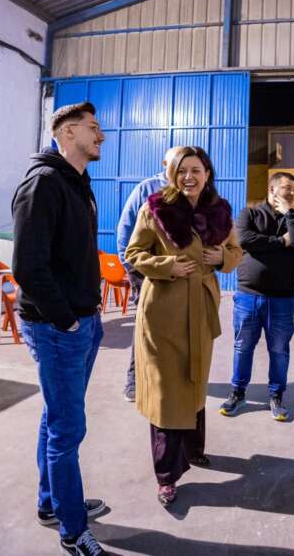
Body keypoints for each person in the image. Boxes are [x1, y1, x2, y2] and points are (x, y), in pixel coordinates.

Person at [11, 102, 109, 556]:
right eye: (93, 128)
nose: (101, 136)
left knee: (56, 417)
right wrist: (66, 319)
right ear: (67, 133)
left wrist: (86, 316)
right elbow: (27, 267)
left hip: (83, 323)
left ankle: (52, 502)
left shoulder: (78, 183)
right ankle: (72, 530)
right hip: (58, 328)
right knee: (67, 429)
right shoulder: (43, 184)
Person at [124, 146, 242, 506]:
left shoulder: (220, 211)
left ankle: (194, 449)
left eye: (196, 170)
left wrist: (222, 257)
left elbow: (236, 252)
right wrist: (167, 266)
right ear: (172, 174)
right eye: (182, 170)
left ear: (207, 174)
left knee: (195, 380)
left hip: (201, 309)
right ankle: (166, 475)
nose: (189, 177)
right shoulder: (155, 208)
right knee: (166, 390)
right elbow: (133, 253)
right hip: (163, 311)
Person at [219, 171, 294, 421]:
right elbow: (245, 239)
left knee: (279, 350)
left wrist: (289, 215)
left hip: (283, 298)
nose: (291, 192)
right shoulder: (249, 214)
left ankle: (276, 395)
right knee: (243, 346)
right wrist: (281, 242)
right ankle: (238, 392)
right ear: (272, 189)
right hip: (248, 296)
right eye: (286, 188)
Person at [115, 145, 183, 403]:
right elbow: (126, 227)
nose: (181, 169)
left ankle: (167, 378)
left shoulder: (189, 191)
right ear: (165, 164)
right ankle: (134, 381)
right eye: (175, 163)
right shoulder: (148, 188)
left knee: (176, 326)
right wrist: (131, 267)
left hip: (178, 273)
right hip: (147, 271)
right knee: (146, 327)